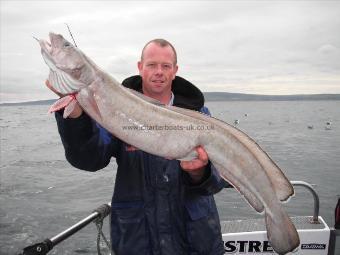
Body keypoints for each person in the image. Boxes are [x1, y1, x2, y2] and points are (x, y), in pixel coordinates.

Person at [49, 39, 229, 254]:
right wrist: (76, 116)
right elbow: (89, 159)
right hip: (139, 240)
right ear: (140, 67)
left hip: (194, 240)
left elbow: (216, 183)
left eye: (166, 66)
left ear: (175, 71)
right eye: (152, 65)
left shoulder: (201, 116)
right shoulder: (113, 110)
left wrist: (200, 172)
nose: (159, 72)